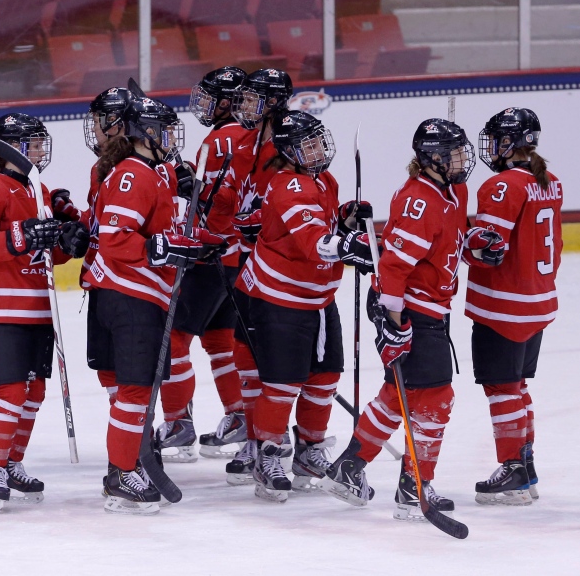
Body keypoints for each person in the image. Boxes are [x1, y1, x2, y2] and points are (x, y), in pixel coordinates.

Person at [322, 118, 475, 522]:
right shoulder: (418, 199)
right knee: (437, 400)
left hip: (430, 308)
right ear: (431, 159)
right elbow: (393, 267)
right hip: (410, 308)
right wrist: (393, 322)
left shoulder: (453, 189)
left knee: (396, 396)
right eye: (454, 153)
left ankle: (348, 468)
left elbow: (451, 241)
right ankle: (414, 486)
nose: (463, 159)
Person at [82, 96, 225, 515]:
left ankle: (126, 464)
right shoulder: (133, 174)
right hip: (129, 298)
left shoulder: (150, 171)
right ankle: (123, 473)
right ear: (145, 133)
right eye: (163, 130)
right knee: (135, 391)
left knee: (132, 391)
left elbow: (156, 235)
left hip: (131, 296)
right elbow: (115, 238)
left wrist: (192, 247)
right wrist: (162, 248)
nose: (170, 138)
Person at [233, 111, 370, 502]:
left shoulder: (324, 180)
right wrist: (347, 245)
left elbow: (326, 231)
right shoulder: (287, 184)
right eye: (308, 144)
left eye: (318, 140)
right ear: (290, 152)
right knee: (281, 385)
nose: (318, 148)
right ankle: (269, 455)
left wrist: (345, 223)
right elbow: (313, 241)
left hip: (319, 298)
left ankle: (310, 452)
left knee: (324, 379)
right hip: (279, 299)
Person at [0, 113, 88, 512]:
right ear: (12, 148)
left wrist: (67, 240)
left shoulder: (39, 189)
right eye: (32, 143)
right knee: (11, 390)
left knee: (34, 393)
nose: (38, 150)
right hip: (0, 305)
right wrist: (25, 233)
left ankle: (12, 462)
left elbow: (46, 252)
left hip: (37, 308)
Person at [153, 66, 248, 464]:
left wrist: (183, 183)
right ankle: (240, 416)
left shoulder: (222, 138)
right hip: (241, 258)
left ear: (229, 102)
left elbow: (210, 207)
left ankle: (177, 423)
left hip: (213, 257)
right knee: (220, 341)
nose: (204, 106)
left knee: (173, 339)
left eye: (211, 98)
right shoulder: (251, 135)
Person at [468, 108, 562, 505]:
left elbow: (487, 249)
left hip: (505, 305)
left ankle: (513, 468)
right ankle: (525, 464)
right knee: (517, 386)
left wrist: (457, 233)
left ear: (509, 143)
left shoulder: (503, 185)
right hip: (539, 301)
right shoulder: (550, 182)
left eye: (495, 139)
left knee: (502, 388)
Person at [221, 67, 295, 483]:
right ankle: (255, 437)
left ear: (272, 102)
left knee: (280, 363)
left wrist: (264, 222)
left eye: (252, 99)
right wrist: (209, 234)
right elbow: (230, 198)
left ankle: (279, 440)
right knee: (245, 354)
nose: (242, 106)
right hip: (247, 269)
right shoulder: (245, 141)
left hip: (279, 274)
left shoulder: (291, 144)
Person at [67, 86, 136, 405]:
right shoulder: (100, 170)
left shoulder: (137, 170)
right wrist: (74, 223)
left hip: (130, 284)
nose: (93, 128)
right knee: (107, 364)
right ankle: (131, 430)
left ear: (116, 123)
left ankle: (142, 432)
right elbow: (99, 222)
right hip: (103, 281)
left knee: (135, 369)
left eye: (97, 120)